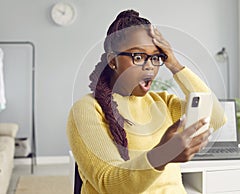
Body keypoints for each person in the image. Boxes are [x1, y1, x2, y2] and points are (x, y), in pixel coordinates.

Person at [67, 9, 226, 194]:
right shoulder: (88, 109)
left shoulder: (164, 103)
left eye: (156, 57)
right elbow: (109, 184)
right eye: (138, 56)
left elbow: (215, 117)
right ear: (113, 61)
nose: (149, 65)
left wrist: (174, 63)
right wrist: (163, 154)